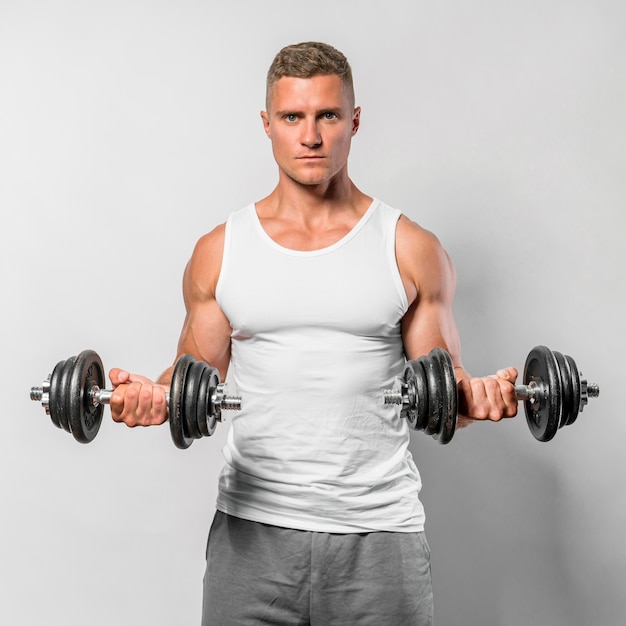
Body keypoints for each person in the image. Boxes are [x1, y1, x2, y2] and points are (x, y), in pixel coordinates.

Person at [109, 42, 519, 626]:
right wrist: (147, 396)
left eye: (327, 115)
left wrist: (482, 400)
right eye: (292, 117)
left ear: (354, 121)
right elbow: (192, 379)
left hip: (378, 537)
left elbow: (441, 399)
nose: (310, 136)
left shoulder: (408, 249)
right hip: (252, 536)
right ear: (267, 125)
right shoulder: (220, 252)